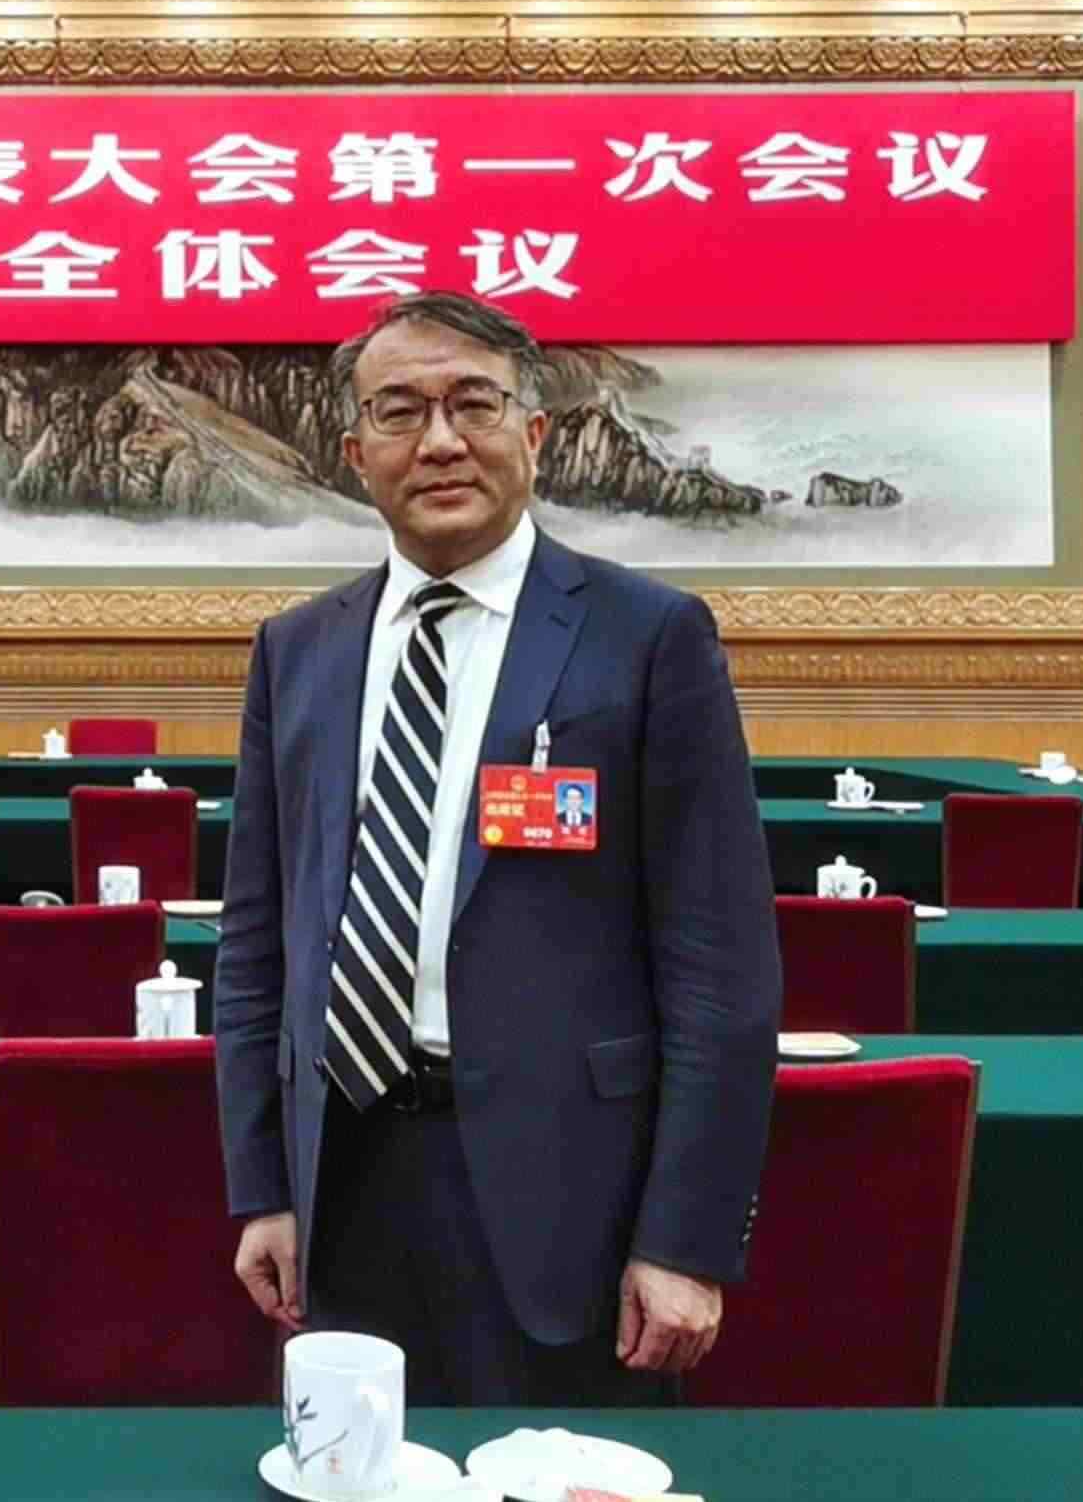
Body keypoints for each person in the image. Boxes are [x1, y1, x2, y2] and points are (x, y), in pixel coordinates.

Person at [213, 291, 781, 1405]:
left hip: (569, 1192)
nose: (438, 441)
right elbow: (255, 945)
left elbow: (721, 967)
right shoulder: (298, 649)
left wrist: (686, 1238)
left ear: (534, 432)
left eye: (472, 405)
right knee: (354, 1471)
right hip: (343, 1177)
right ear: (354, 453)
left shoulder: (646, 636)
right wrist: (262, 1183)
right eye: (398, 412)